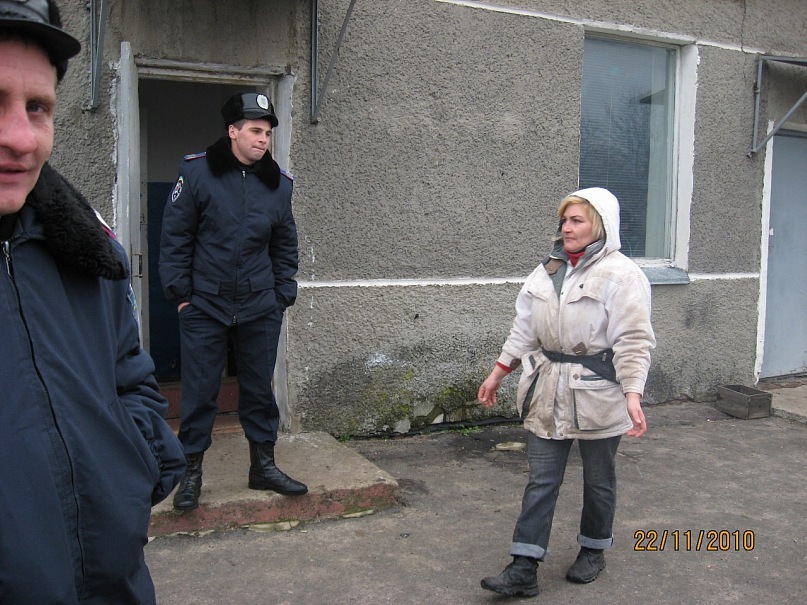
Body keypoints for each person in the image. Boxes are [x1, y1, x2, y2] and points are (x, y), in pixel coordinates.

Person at [0, 1, 186, 603]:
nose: (20, 138)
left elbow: (131, 379)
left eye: (37, 107)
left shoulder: (87, 248)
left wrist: (137, 467)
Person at [477, 187, 656, 598]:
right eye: (564, 220)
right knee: (541, 480)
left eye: (577, 220)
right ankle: (523, 566)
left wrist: (632, 393)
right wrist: (499, 372)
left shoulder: (623, 275)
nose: (567, 228)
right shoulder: (547, 271)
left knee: (598, 479)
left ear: (600, 225)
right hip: (547, 388)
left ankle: (593, 550)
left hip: (599, 393)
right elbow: (524, 328)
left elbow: (634, 340)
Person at [160, 90, 307, 511]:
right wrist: (182, 298)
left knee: (259, 390)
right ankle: (190, 474)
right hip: (205, 305)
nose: (263, 139)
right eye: (256, 131)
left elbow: (285, 245)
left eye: (268, 133)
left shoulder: (277, 184)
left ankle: (263, 467)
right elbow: (175, 238)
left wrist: (281, 295)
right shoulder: (197, 173)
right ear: (232, 132)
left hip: (260, 305)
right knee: (200, 392)